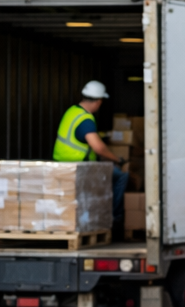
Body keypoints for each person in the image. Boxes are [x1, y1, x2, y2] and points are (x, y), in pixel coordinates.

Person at [53, 80, 129, 237]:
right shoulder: (86, 119)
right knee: (121, 176)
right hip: (79, 168)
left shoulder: (72, 111)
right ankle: (115, 219)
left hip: (62, 164)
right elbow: (98, 148)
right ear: (99, 101)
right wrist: (118, 160)